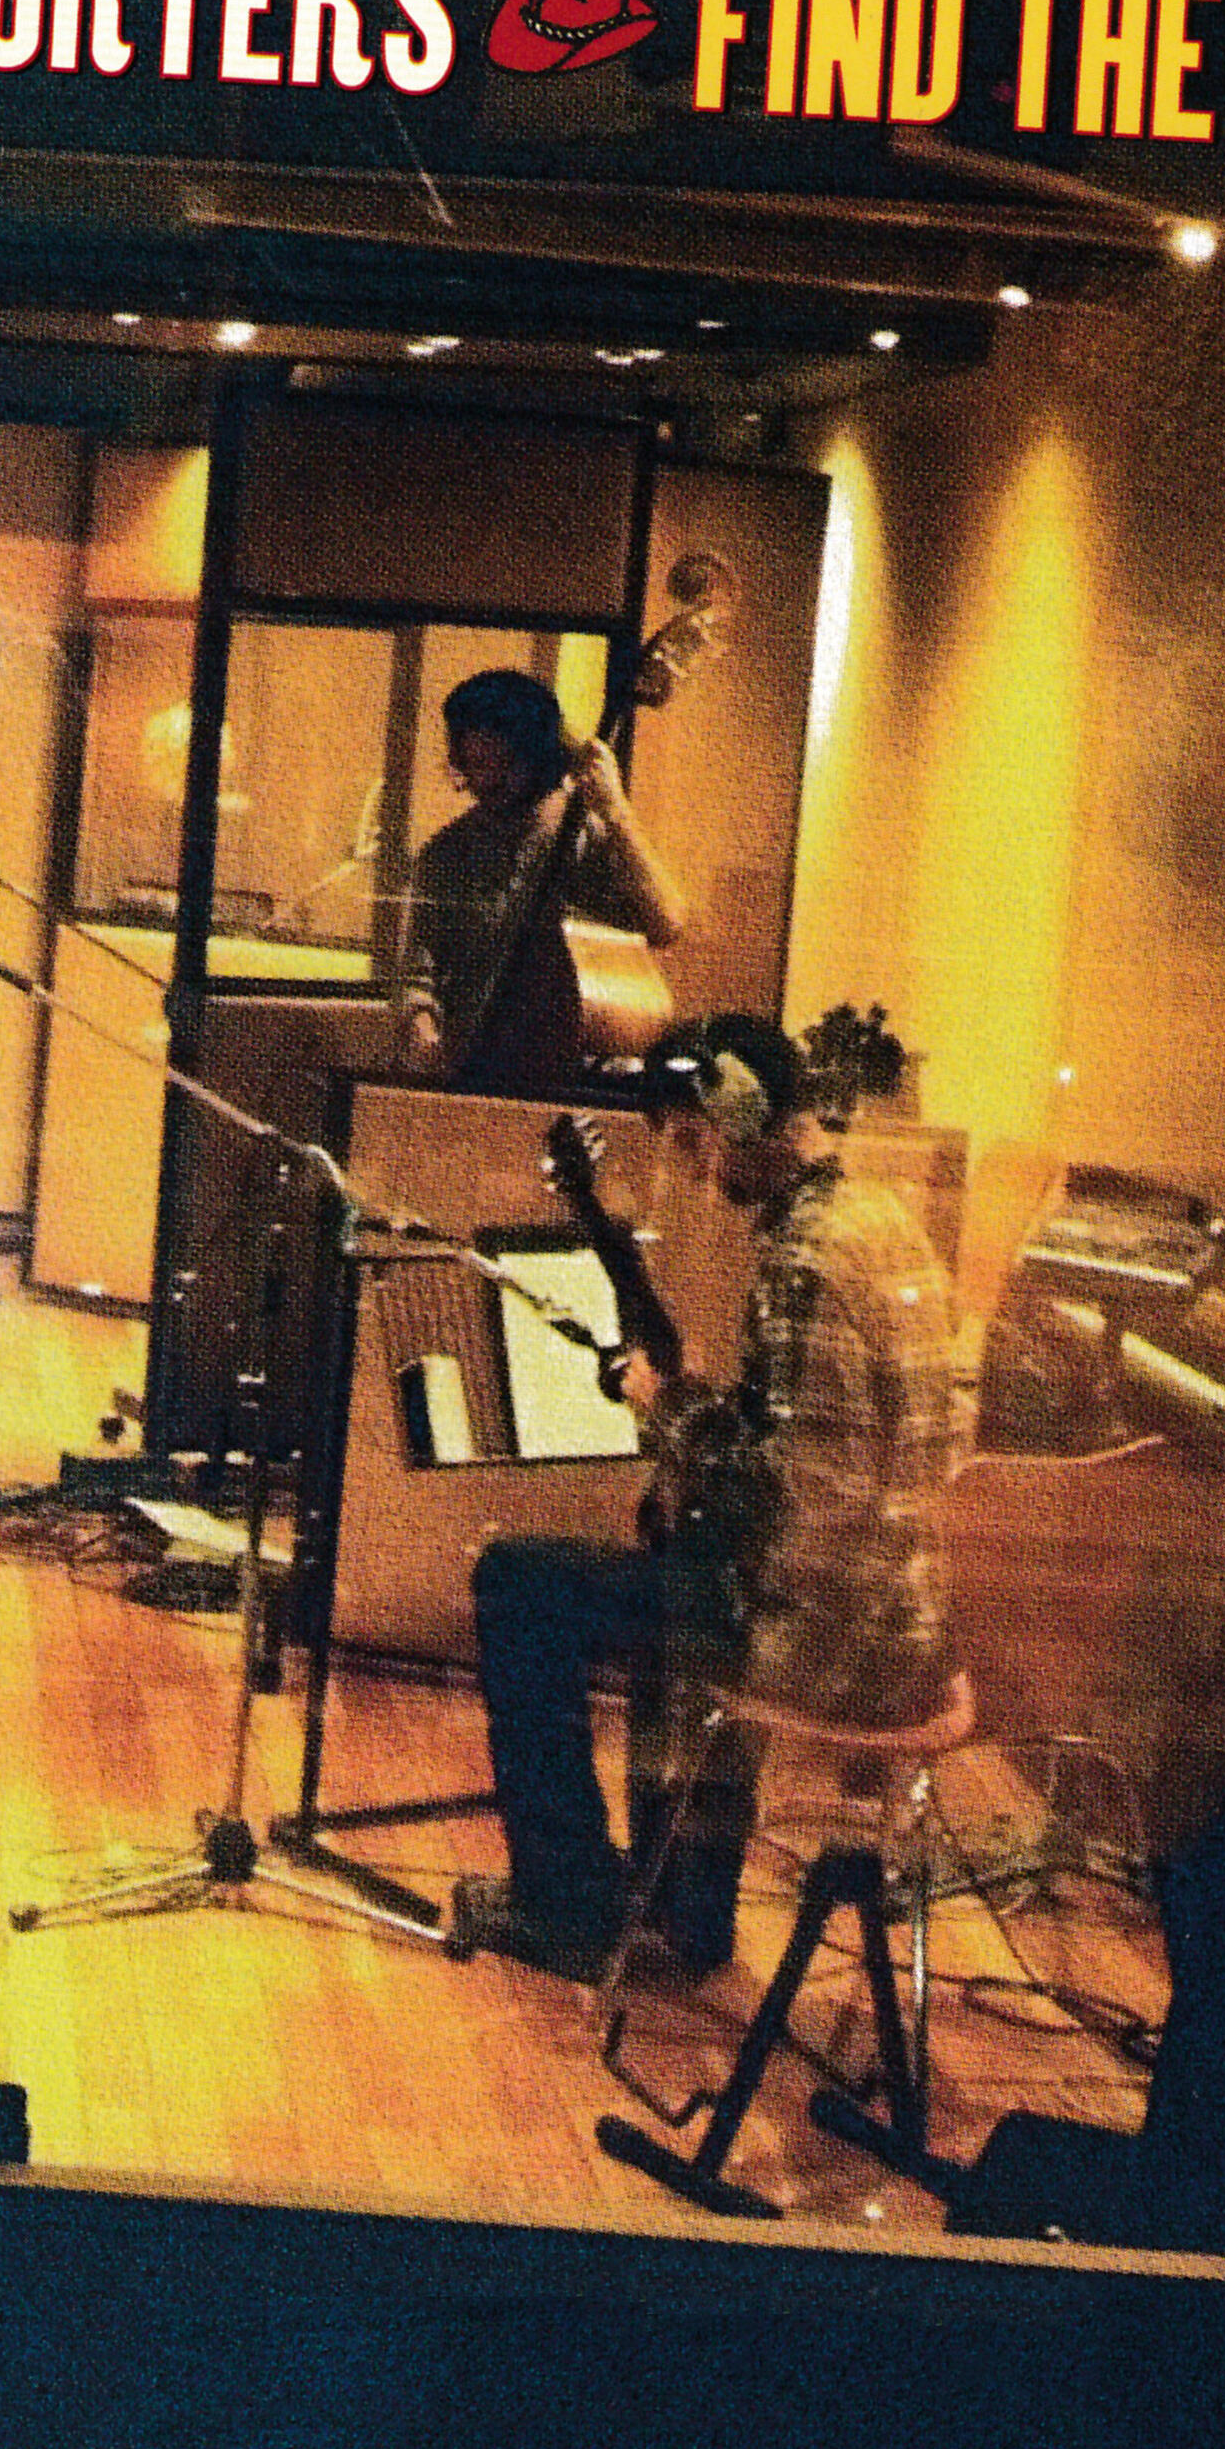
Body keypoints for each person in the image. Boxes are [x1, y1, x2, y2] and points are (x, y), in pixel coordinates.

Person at [450, 1011, 963, 1984]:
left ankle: (567, 1908)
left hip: (825, 1638)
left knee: (520, 1583)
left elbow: (790, 1495)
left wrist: (667, 1404)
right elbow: (831, 1443)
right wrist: (711, 1418)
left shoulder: (804, 1258)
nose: (692, 1170)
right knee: (674, 1559)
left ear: (741, 1117)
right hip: (902, 1622)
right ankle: (687, 1907)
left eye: (691, 1141)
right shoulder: (880, 1219)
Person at [396, 668, 687, 1095]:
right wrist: (423, 1032)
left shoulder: (587, 833)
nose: (486, 783)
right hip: (477, 1076)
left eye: (504, 767)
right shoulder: (446, 854)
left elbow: (666, 922)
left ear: (537, 756)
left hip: (577, 1082)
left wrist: (616, 812)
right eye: (476, 767)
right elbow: (418, 980)